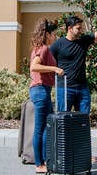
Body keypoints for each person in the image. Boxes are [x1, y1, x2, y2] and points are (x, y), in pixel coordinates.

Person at [50, 0, 97, 163]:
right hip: (64, 88)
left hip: (82, 89)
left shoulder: (83, 41)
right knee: (63, 121)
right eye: (78, 27)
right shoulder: (58, 45)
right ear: (69, 28)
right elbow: (44, 61)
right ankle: (62, 154)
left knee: (83, 122)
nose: (81, 30)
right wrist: (52, 72)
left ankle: (84, 154)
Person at [29, 18, 64, 173]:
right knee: (40, 128)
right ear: (48, 34)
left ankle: (44, 161)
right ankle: (39, 164)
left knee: (45, 128)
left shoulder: (44, 49)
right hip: (40, 90)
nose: (55, 36)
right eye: (54, 34)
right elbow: (34, 67)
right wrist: (55, 69)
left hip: (44, 90)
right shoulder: (42, 48)